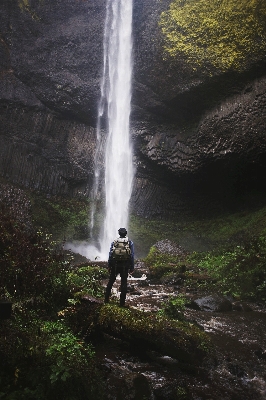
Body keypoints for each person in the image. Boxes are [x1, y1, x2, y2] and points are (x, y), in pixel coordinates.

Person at [104, 228, 134, 307]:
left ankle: (106, 299)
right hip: (125, 265)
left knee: (111, 282)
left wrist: (109, 265)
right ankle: (122, 304)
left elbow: (110, 254)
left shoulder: (114, 242)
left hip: (115, 264)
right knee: (124, 283)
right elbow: (132, 255)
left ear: (118, 233)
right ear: (126, 233)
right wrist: (132, 267)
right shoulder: (129, 242)